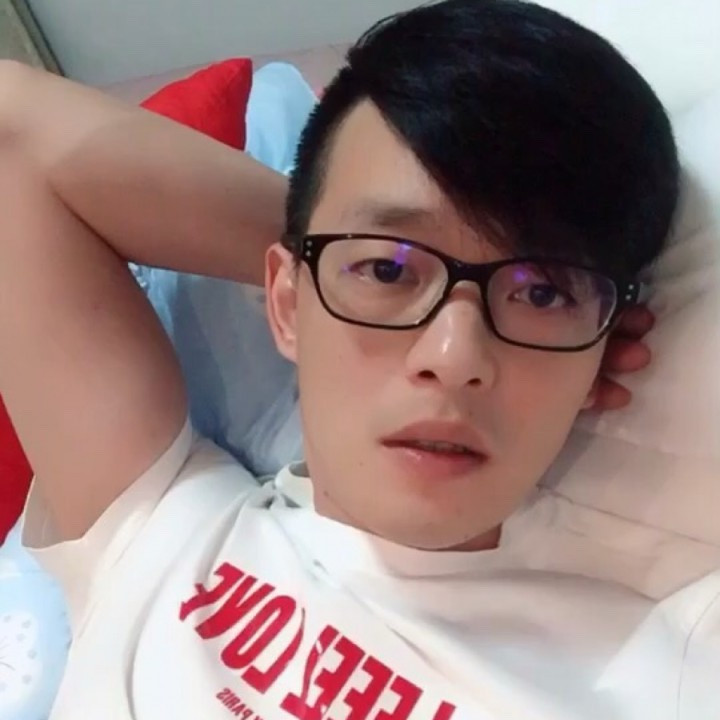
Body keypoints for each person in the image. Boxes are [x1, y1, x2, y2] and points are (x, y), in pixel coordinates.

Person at [0, 0, 678, 718]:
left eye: (542, 291)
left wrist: (369, 261)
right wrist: (330, 253)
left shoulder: (665, 668)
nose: (455, 357)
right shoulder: (162, 535)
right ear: (285, 305)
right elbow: (13, 129)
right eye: (388, 270)